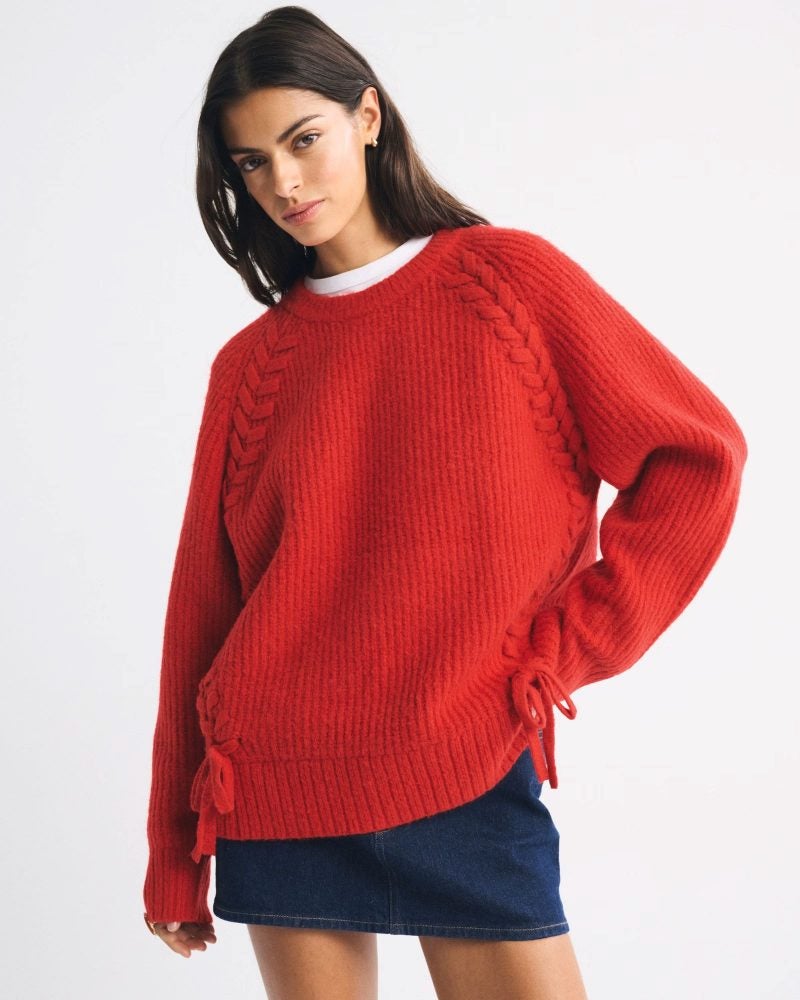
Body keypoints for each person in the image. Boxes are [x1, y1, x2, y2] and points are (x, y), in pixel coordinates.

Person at [142, 7, 748, 999]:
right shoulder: (248, 370)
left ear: (367, 117)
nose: (283, 182)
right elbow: (201, 615)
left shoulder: (509, 284)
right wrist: (173, 853)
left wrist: (561, 652)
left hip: (466, 760)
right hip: (279, 783)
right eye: (252, 163)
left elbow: (696, 455)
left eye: (303, 139)